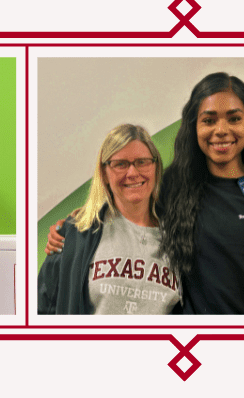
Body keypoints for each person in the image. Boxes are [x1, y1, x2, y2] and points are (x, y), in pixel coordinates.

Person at [46, 73, 244, 314]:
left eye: (233, 118)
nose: (221, 130)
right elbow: (129, 204)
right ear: (194, 126)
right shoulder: (174, 185)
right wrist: (70, 226)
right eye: (209, 120)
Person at [38, 124, 179, 314]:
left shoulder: (182, 236)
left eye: (142, 162)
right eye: (120, 164)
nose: (132, 173)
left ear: (155, 166)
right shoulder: (75, 234)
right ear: (104, 173)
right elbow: (43, 309)